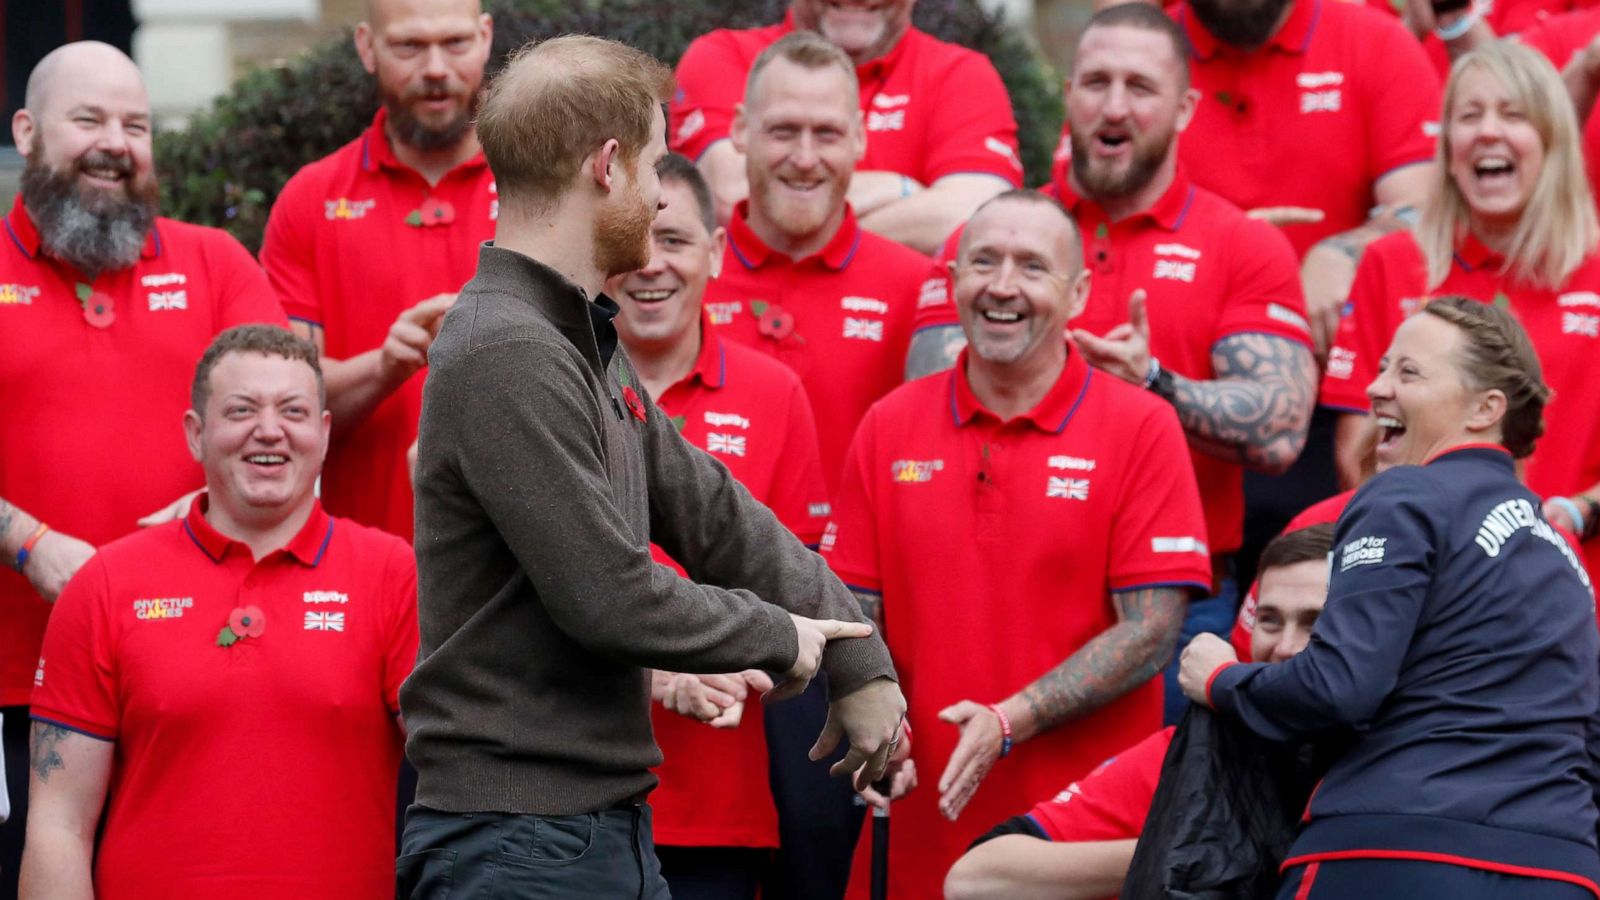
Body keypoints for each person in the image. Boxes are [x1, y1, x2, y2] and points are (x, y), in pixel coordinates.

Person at [398, 36, 906, 899]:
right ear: (607, 167)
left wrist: (861, 661)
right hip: (519, 844)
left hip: (583, 832)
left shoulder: (573, 338)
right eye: (653, 166)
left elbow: (708, 509)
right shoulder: (506, 349)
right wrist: (787, 639)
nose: (658, 192)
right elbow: (609, 594)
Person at [905, 4, 1318, 722]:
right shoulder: (997, 238)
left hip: (1174, 602)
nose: (1115, 105)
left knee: (1146, 829)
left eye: (1140, 85)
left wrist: (1152, 384)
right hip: (989, 593)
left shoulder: (1241, 244)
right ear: (1068, 95)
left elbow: (1279, 431)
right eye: (1096, 81)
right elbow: (923, 399)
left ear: (1186, 107)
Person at [823, 190, 1212, 899]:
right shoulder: (889, 424)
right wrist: (882, 727)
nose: (1003, 286)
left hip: (1076, 850)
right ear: (951, 280)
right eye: (983, 262)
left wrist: (1010, 721)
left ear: (1079, 292)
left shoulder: (1142, 428)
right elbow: (856, 611)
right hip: (918, 831)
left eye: (1033, 267)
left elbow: (1153, 630)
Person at [1181, 295, 1600, 898]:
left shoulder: (1407, 493)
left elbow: (1339, 686)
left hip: (1394, 851)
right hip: (1556, 866)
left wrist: (1223, 680)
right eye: (1381, 367)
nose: (1376, 388)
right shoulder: (1560, 548)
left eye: (1408, 372)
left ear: (1485, 409)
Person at [0, 42, 288, 899]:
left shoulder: (215, 264)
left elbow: (287, 422)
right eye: (88, 119)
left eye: (137, 125)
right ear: (27, 130)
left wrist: (207, 506)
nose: (115, 142)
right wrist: (30, 542)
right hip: (14, 685)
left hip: (189, 688)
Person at [20, 325, 418, 900]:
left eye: (293, 411)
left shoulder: (392, 574)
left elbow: (461, 771)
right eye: (241, 410)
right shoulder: (106, 584)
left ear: (324, 434)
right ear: (196, 434)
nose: (269, 430)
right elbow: (59, 827)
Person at [699, 32, 932, 896]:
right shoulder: (677, 270)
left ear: (864, 140)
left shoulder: (916, 287)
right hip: (689, 644)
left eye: (828, 133)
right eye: (782, 130)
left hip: (836, 648)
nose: (804, 157)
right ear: (738, 134)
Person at [610, 153, 832, 899]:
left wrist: (708, 656)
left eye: (672, 240)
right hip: (570, 799)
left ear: (714, 250)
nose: (650, 263)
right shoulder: (552, 387)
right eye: (632, 238)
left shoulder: (775, 393)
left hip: (718, 813)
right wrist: (656, 669)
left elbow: (796, 596)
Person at [1323, 41, 1600, 579]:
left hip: (1573, 590)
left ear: (1554, 142)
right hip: (1427, 582)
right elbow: (1357, 452)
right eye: (1469, 116)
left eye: (1513, 114)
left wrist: (1577, 511)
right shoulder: (1391, 263)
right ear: (1448, 148)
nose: (1488, 132)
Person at [944, 522, 1337, 900]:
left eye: (1314, 622)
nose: (1285, 646)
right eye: (1269, 621)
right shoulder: (1200, 749)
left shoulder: (1391, 759)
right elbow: (975, 879)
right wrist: (1190, 851)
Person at [259, 0, 496, 542]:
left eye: (455, 43)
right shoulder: (311, 199)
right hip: (360, 568)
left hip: (517, 577)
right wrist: (386, 365)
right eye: (409, 46)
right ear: (367, 46)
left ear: (485, 38)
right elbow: (279, 407)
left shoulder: (542, 187)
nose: (435, 68)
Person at [671, 0, 1021, 252]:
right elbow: (733, 193)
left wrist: (810, 247)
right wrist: (903, 190)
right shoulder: (721, 56)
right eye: (784, 130)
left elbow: (980, 221)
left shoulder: (963, 76)